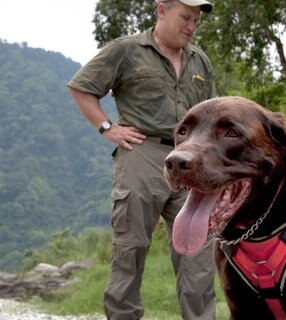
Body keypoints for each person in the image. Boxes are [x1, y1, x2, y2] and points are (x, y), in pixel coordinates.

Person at [67, 0, 217, 319]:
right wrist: (108, 127)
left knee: (199, 255)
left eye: (196, 21)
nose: (192, 26)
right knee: (130, 249)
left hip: (190, 160)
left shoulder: (200, 61)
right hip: (142, 154)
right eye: (186, 17)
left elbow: (211, 116)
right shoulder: (126, 50)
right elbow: (81, 87)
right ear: (161, 10)